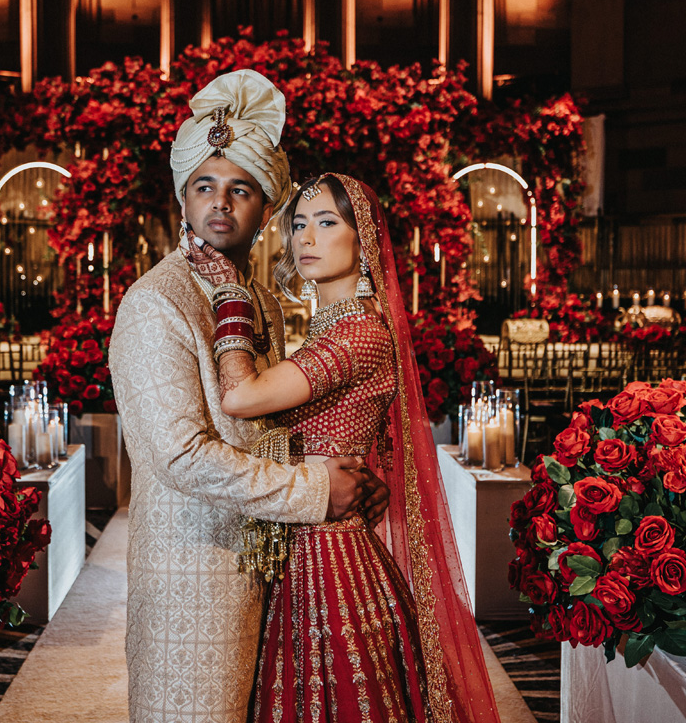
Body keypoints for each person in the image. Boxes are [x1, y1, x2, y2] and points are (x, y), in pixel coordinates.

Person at [109, 71, 388, 723]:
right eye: (204, 187)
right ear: (181, 197)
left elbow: (264, 421)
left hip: (268, 566)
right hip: (193, 578)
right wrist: (316, 489)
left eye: (241, 190)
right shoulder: (158, 302)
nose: (220, 205)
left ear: (267, 208)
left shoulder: (253, 297)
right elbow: (181, 456)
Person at [197, 173, 502, 723]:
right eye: (297, 224)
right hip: (308, 532)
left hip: (326, 552)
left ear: (363, 239)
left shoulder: (358, 333)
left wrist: (229, 298)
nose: (306, 238)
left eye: (327, 222)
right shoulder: (332, 329)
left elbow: (242, 397)